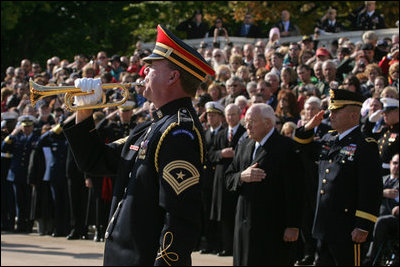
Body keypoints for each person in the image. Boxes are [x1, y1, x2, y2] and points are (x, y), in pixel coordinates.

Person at [62, 24, 215, 265]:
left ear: (173, 76)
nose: (143, 71)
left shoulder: (178, 132)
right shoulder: (150, 127)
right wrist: (84, 111)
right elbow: (95, 160)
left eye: (152, 66)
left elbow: (180, 219)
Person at [293, 89, 382, 265]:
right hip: (324, 226)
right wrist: (308, 127)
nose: (330, 115)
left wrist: (363, 225)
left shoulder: (365, 145)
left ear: (352, 115)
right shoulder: (329, 139)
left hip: (347, 227)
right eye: (331, 110)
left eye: (336, 111)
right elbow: (302, 149)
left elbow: (370, 188)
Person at [225, 103, 303, 265]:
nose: (247, 126)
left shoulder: (285, 147)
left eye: (252, 121)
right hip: (244, 223)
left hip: (272, 226)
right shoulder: (244, 145)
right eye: (246, 121)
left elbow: (295, 189)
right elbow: (228, 178)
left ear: (268, 123)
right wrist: (242, 176)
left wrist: (293, 225)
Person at [209, 103, 246, 257]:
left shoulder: (245, 133)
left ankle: (237, 246)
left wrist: (236, 153)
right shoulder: (221, 134)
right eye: (228, 115)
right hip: (221, 178)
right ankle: (226, 246)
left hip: (238, 176)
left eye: (234, 114)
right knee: (223, 214)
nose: (231, 117)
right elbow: (209, 154)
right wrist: (221, 154)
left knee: (236, 212)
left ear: (239, 116)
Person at [1, 115, 40, 233]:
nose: (27, 129)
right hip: (16, 173)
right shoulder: (16, 137)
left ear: (33, 126)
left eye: (29, 126)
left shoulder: (36, 137)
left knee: (28, 201)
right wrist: (12, 134)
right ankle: (20, 224)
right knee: (18, 201)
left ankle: (28, 224)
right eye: (24, 127)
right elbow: (3, 147)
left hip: (29, 174)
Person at [200, 101, 225, 254]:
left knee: (218, 213)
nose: (210, 118)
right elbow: (204, 155)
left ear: (220, 117)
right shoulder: (205, 133)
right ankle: (209, 243)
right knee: (206, 211)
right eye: (208, 115)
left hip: (219, 178)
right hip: (207, 178)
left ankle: (219, 243)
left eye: (213, 115)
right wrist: (218, 155)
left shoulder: (225, 132)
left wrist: (214, 156)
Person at [364, 153, 399, 265]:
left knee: (380, 221)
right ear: (390, 164)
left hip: (393, 219)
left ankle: (371, 259)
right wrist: (382, 193)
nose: (397, 166)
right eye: (395, 163)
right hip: (374, 215)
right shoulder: (381, 180)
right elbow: (367, 194)